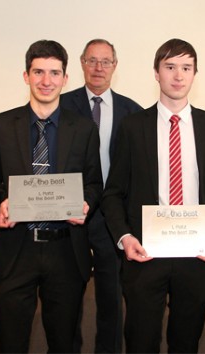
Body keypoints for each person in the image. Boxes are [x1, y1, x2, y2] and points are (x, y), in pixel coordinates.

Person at [101, 38, 205, 353]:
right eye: (170, 67)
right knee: (141, 341)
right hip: (146, 254)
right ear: (156, 73)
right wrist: (124, 237)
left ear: (194, 74)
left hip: (196, 256)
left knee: (186, 342)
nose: (178, 75)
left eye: (186, 68)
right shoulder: (133, 127)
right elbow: (113, 193)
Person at [0, 39, 102, 353]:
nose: (46, 81)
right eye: (38, 72)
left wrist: (87, 202)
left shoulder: (85, 128)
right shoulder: (0, 125)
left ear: (65, 78)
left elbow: (94, 181)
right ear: (26, 76)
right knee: (12, 341)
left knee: (64, 342)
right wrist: (0, 201)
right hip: (14, 248)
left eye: (54, 73)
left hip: (66, 250)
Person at [60, 38, 142, 353]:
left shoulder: (132, 111)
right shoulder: (62, 106)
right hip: (72, 212)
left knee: (111, 296)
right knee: (68, 296)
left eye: (105, 61)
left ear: (115, 66)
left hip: (112, 216)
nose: (98, 68)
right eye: (92, 60)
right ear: (81, 63)